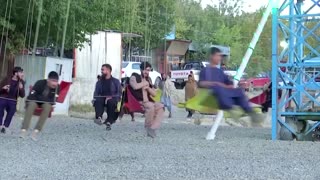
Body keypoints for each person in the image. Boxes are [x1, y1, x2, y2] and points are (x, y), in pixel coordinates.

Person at [199, 47, 264, 126]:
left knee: (239, 91)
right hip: (213, 95)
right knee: (218, 88)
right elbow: (201, 83)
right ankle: (231, 110)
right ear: (212, 56)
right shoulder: (205, 70)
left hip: (224, 94)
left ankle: (252, 115)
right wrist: (217, 84)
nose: (220, 58)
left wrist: (239, 83)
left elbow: (229, 83)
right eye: (218, 56)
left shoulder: (219, 71)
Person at [20, 71, 60, 140]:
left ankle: (36, 131)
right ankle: (24, 130)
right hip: (34, 101)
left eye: (56, 81)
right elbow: (32, 95)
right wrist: (44, 99)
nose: (54, 83)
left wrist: (43, 99)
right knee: (31, 106)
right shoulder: (39, 83)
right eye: (53, 81)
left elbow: (53, 100)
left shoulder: (57, 88)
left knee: (48, 107)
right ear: (48, 80)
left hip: (45, 103)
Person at [129, 62, 164, 138]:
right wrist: (144, 83)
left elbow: (154, 94)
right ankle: (148, 127)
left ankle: (153, 128)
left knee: (161, 106)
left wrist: (148, 88)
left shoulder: (149, 80)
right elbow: (135, 86)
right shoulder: (134, 77)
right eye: (145, 70)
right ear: (141, 69)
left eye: (148, 70)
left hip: (148, 101)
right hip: (138, 101)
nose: (146, 72)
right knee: (151, 107)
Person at [93, 64, 122, 131]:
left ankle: (110, 120)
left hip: (112, 98)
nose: (101, 71)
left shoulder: (115, 81)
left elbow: (119, 93)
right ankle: (99, 117)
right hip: (102, 98)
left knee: (111, 102)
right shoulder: (99, 82)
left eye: (103, 69)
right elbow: (96, 93)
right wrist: (95, 98)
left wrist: (112, 97)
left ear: (108, 70)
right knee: (98, 100)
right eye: (101, 70)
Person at [0, 67, 25, 133]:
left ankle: (5, 126)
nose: (23, 74)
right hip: (3, 97)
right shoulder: (7, 79)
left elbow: (22, 95)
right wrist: (3, 88)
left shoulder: (21, 82)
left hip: (12, 100)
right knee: (0, 107)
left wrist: (21, 88)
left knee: (12, 111)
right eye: (21, 72)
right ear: (16, 73)